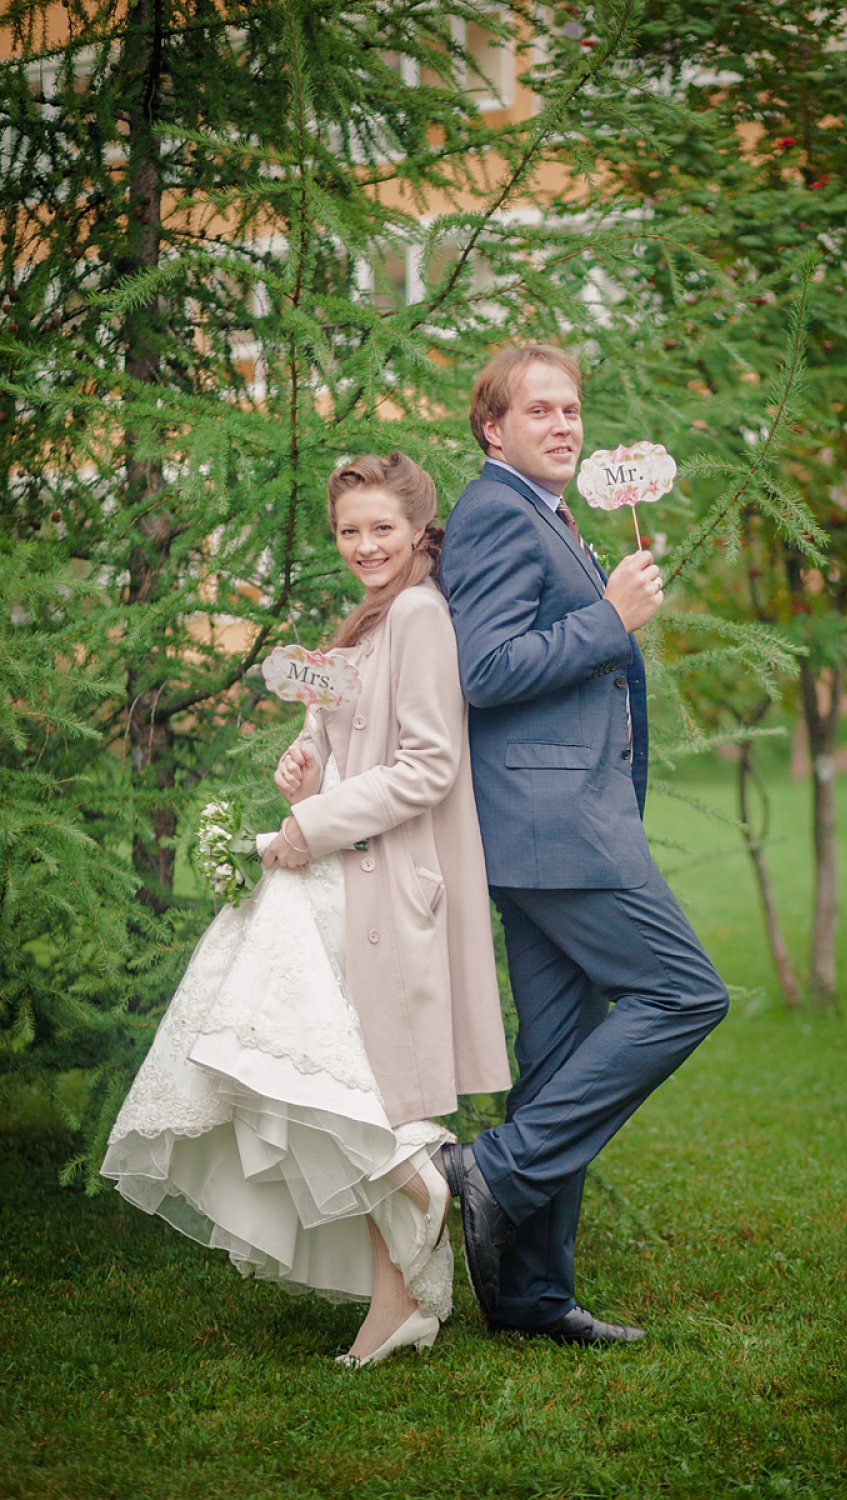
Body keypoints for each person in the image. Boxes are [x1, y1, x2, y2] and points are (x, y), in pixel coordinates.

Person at [102, 451, 511, 1367]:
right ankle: (404, 1295)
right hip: (348, 863)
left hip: (389, 878)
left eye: (382, 529)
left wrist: (310, 826)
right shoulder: (366, 619)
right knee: (345, 1070)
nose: (365, 545)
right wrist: (306, 770)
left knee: (314, 1057)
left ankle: (420, 1183)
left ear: (419, 530)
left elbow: (429, 766)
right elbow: (345, 743)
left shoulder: (420, 615)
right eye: (349, 531)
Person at [438, 346, 730, 1345]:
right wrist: (611, 619)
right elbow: (484, 670)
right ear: (493, 428)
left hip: (554, 823)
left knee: (560, 1053)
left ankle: (532, 1298)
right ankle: (495, 1169)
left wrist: (605, 611)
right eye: (539, 411)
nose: (563, 425)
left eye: (571, 409)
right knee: (684, 994)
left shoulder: (549, 514)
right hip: (554, 826)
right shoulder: (496, 511)